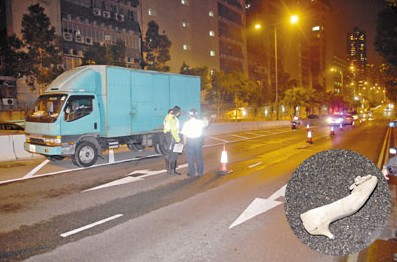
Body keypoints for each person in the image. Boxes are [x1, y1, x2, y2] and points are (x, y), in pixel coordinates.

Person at [181, 108, 207, 178]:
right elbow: (206, 124)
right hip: (198, 141)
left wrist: (185, 144)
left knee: (190, 158)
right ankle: (200, 173)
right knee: (199, 157)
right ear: (196, 114)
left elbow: (184, 135)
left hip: (190, 141)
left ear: (190, 115)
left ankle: (192, 173)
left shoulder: (186, 123)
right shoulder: (200, 122)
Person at [166, 106, 182, 175]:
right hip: (173, 138)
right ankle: (172, 171)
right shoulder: (173, 119)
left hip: (169, 137)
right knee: (174, 155)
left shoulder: (169, 117)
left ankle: (170, 170)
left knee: (170, 154)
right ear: (178, 112)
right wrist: (178, 140)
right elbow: (174, 130)